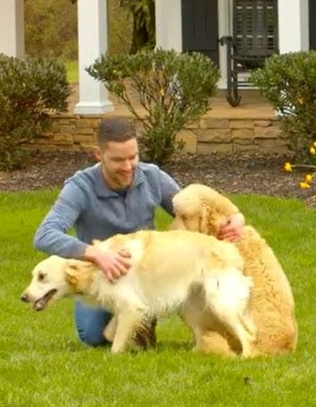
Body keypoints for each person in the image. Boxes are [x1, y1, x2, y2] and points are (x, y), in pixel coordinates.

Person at [33, 117, 243, 347]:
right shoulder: (80, 188)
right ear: (98, 155)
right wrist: (97, 254)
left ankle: (144, 317)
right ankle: (135, 323)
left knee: (146, 317)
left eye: (133, 157)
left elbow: (192, 211)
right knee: (93, 335)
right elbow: (45, 234)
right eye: (118, 160)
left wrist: (235, 219)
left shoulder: (151, 176)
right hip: (101, 278)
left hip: (147, 276)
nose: (127, 167)